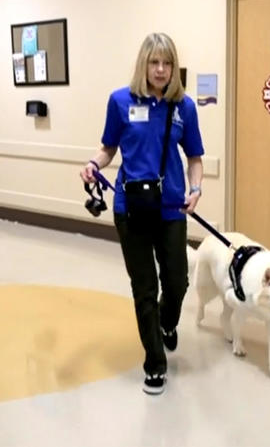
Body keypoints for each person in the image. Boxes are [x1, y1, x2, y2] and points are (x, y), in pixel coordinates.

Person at [80, 33, 204, 395]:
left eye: (167, 63)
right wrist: (92, 163)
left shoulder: (184, 107)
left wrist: (196, 188)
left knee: (177, 281)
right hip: (130, 207)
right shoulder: (120, 101)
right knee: (145, 287)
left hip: (171, 208)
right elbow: (108, 148)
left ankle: (167, 325)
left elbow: (194, 157)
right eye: (154, 62)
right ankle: (154, 362)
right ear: (143, 64)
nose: (161, 69)